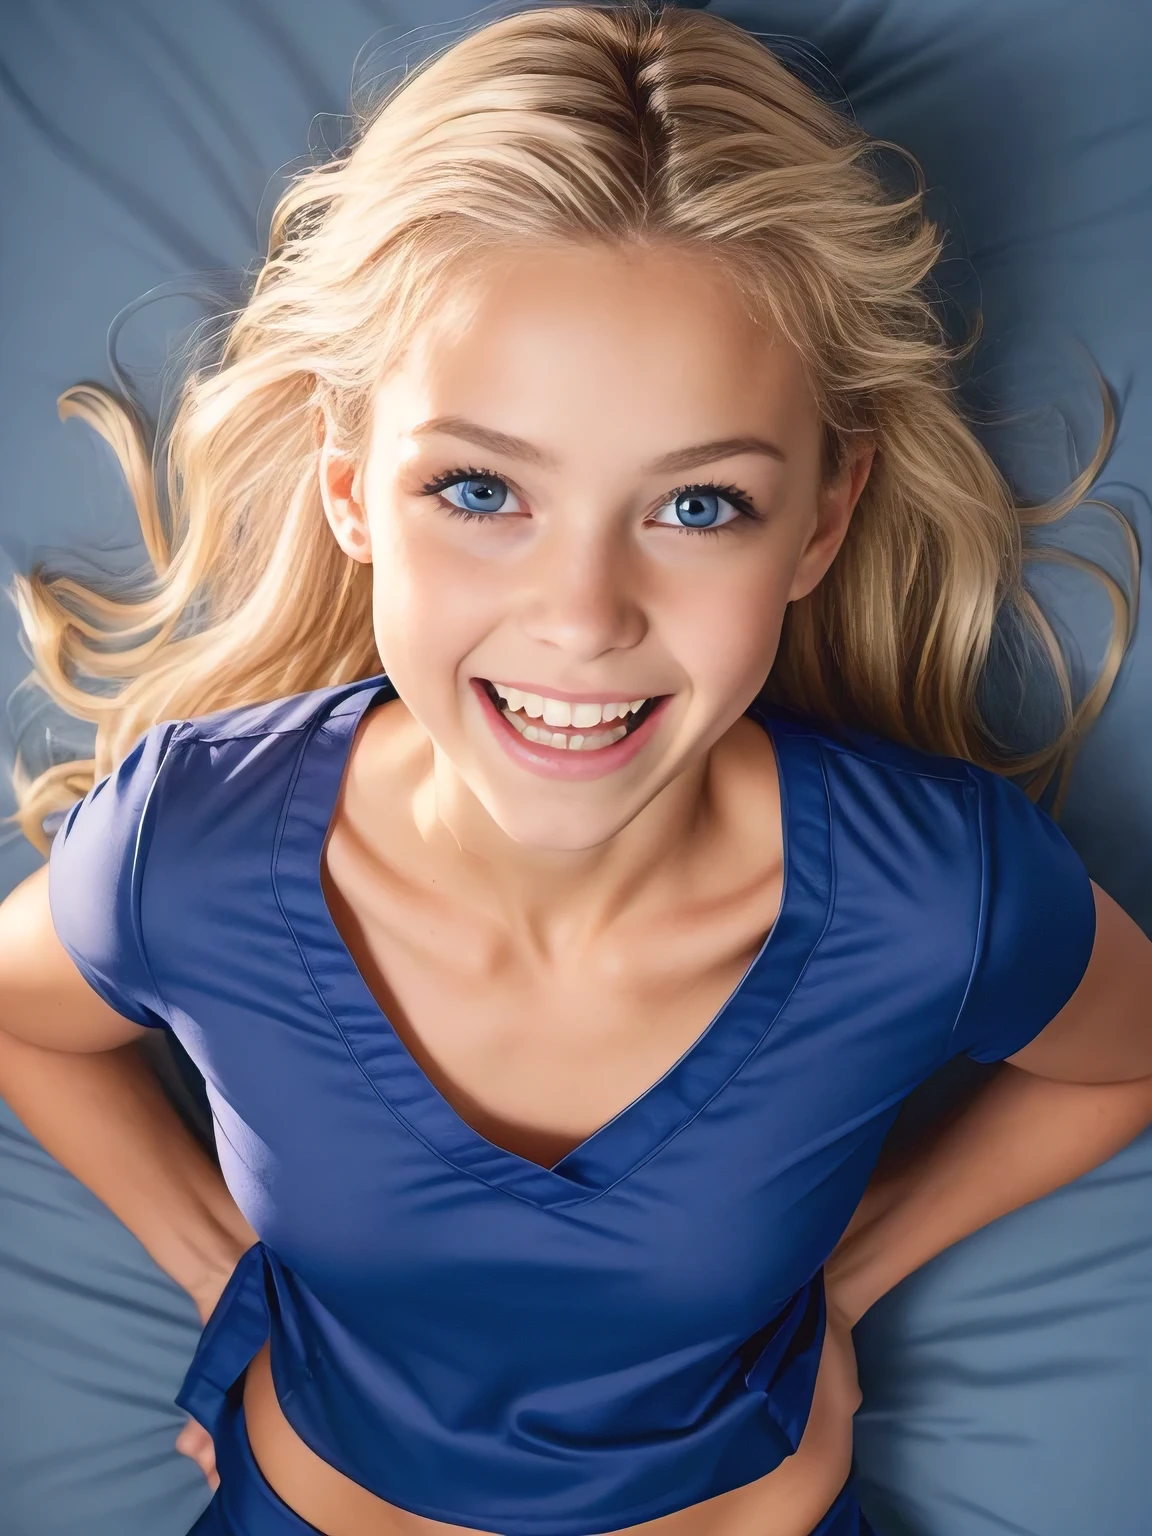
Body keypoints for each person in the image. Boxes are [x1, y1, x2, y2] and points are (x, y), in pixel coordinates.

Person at [1, 4, 1150, 1533]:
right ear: (353, 489)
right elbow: (25, 1025)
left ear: (818, 522)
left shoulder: (936, 894)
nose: (582, 619)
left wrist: (853, 1278)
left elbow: (1127, 1053)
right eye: (481, 489)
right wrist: (218, 1262)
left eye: (698, 508)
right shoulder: (190, 850)